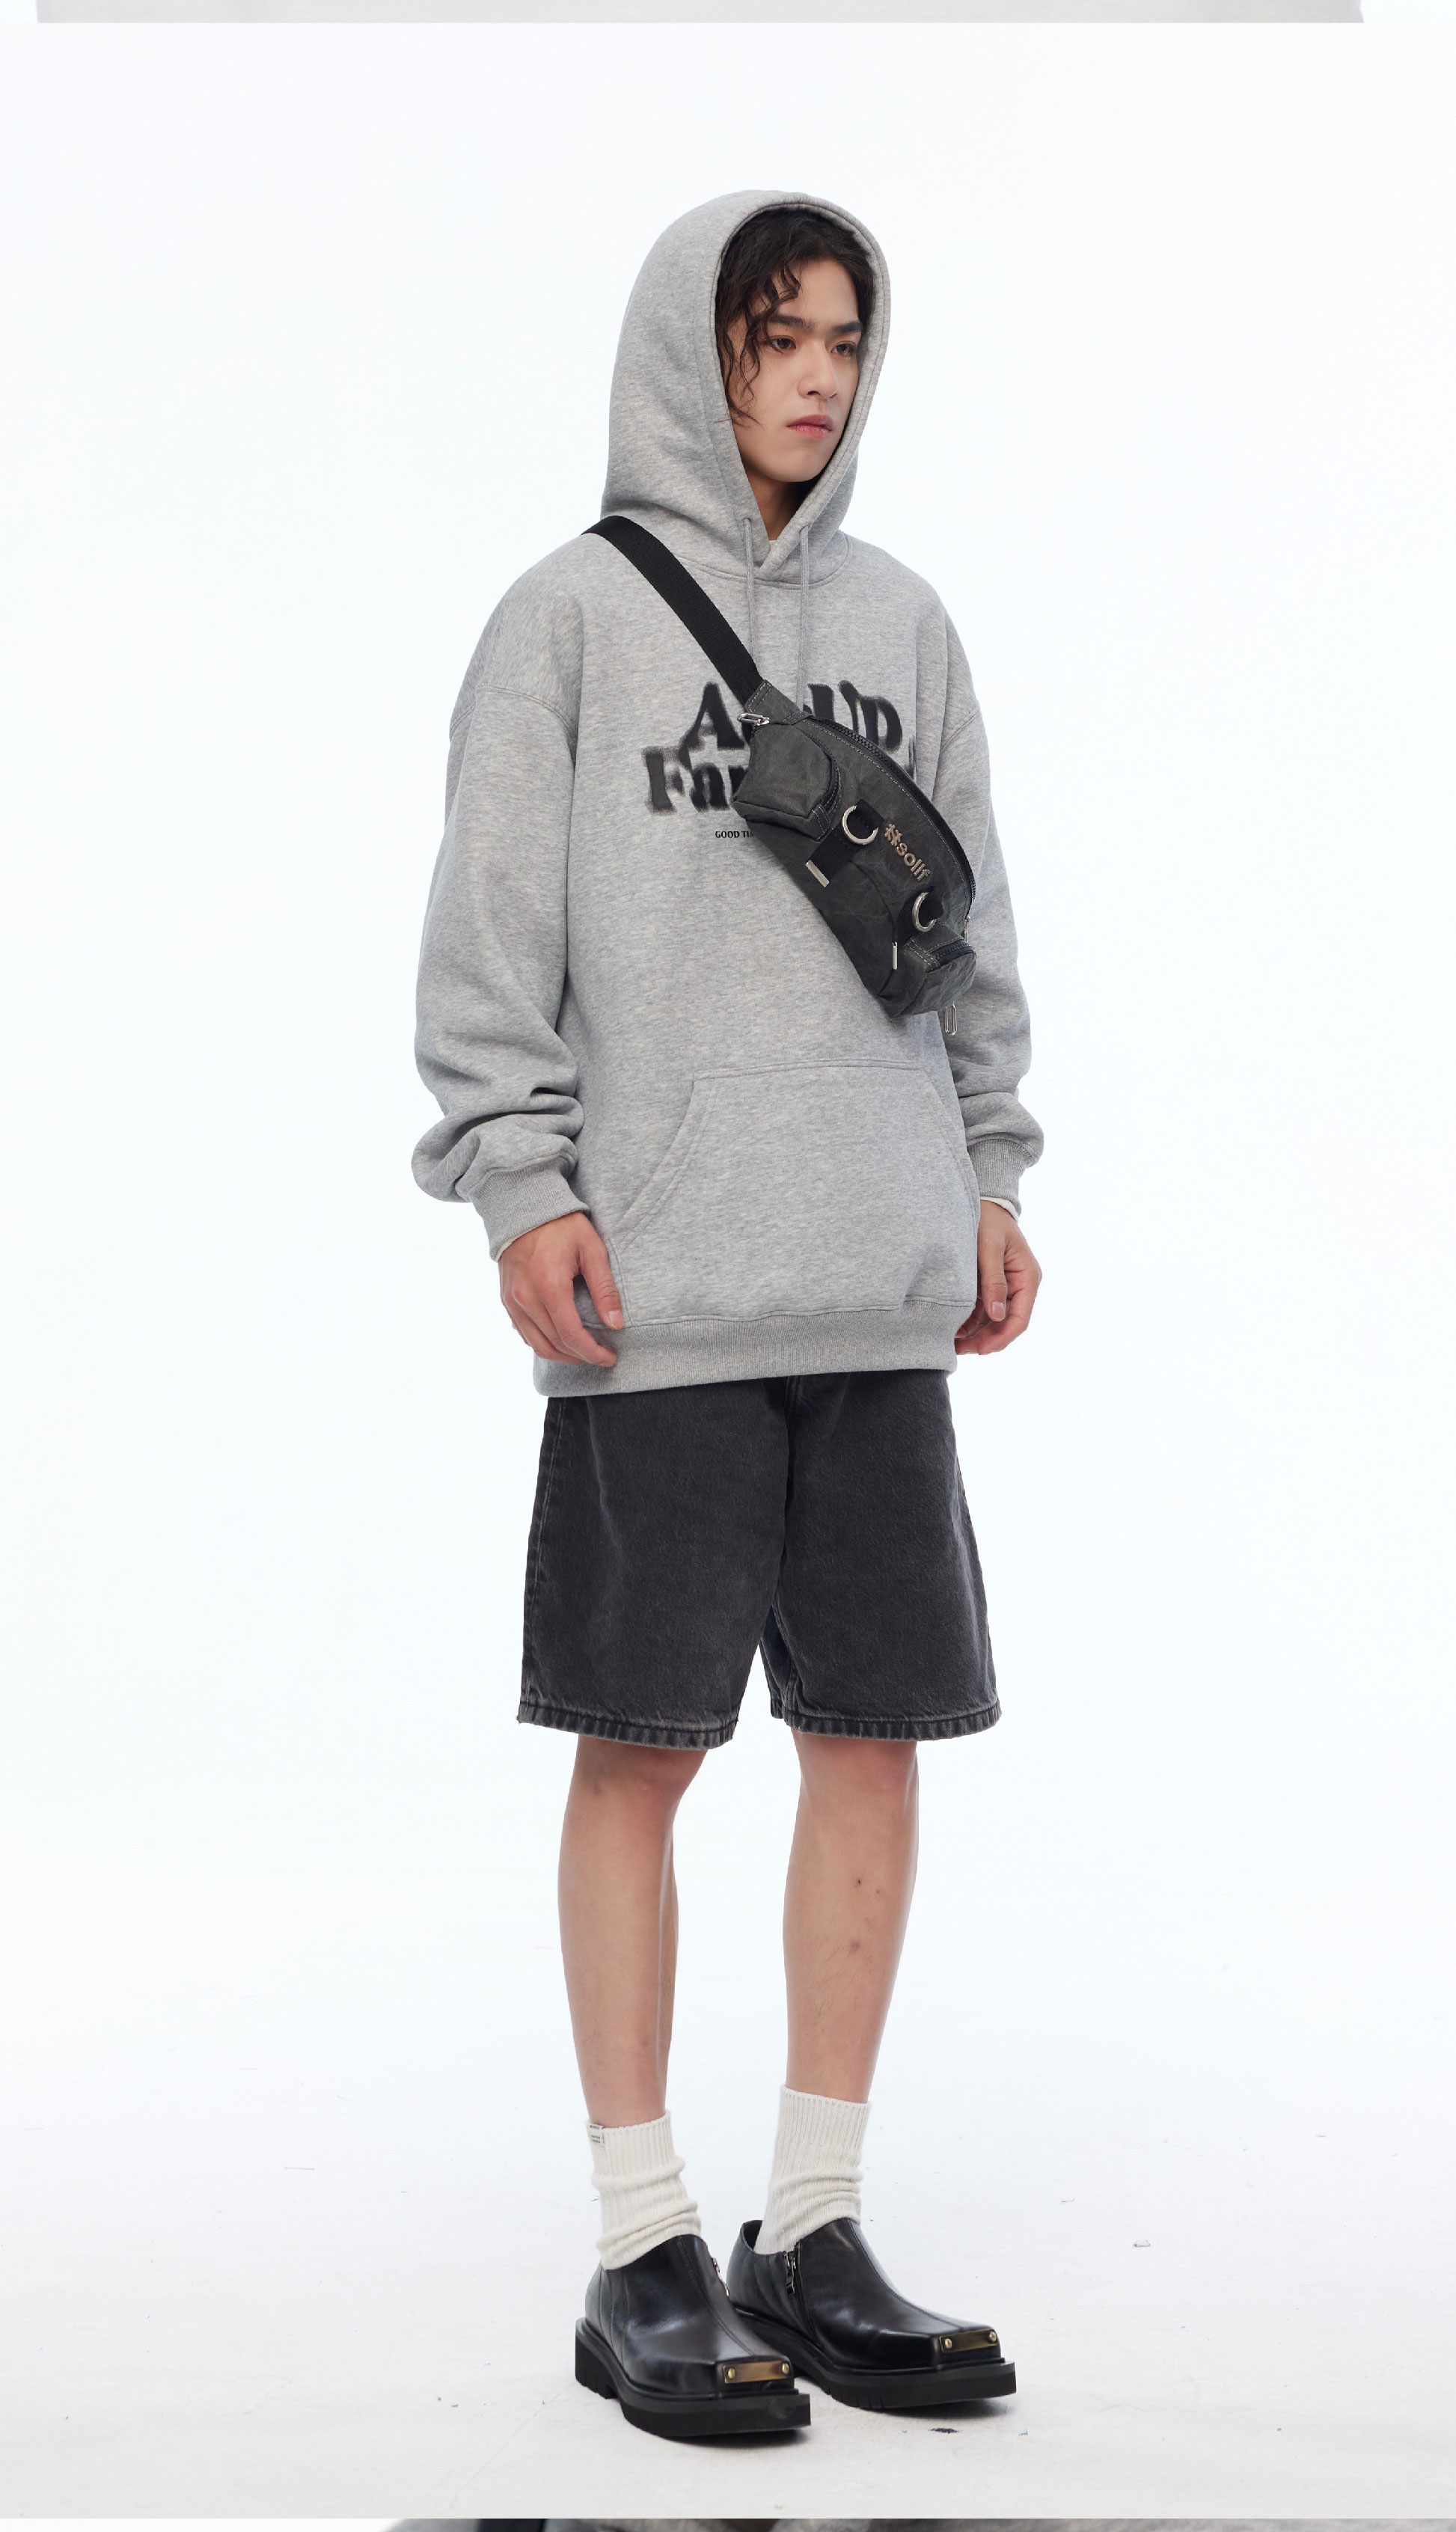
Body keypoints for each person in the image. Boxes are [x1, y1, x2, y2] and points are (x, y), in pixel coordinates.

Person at [412, 191, 1043, 2441]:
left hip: (875, 1287)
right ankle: (640, 2244)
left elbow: (970, 936)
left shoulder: (906, 621)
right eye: (772, 335)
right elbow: (487, 948)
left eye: (843, 341)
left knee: (871, 1737)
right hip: (659, 1295)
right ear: (693, 351)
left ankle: (815, 2225)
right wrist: (521, 1185)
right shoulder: (566, 622)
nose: (812, 377)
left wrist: (987, 1174)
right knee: (643, 1744)